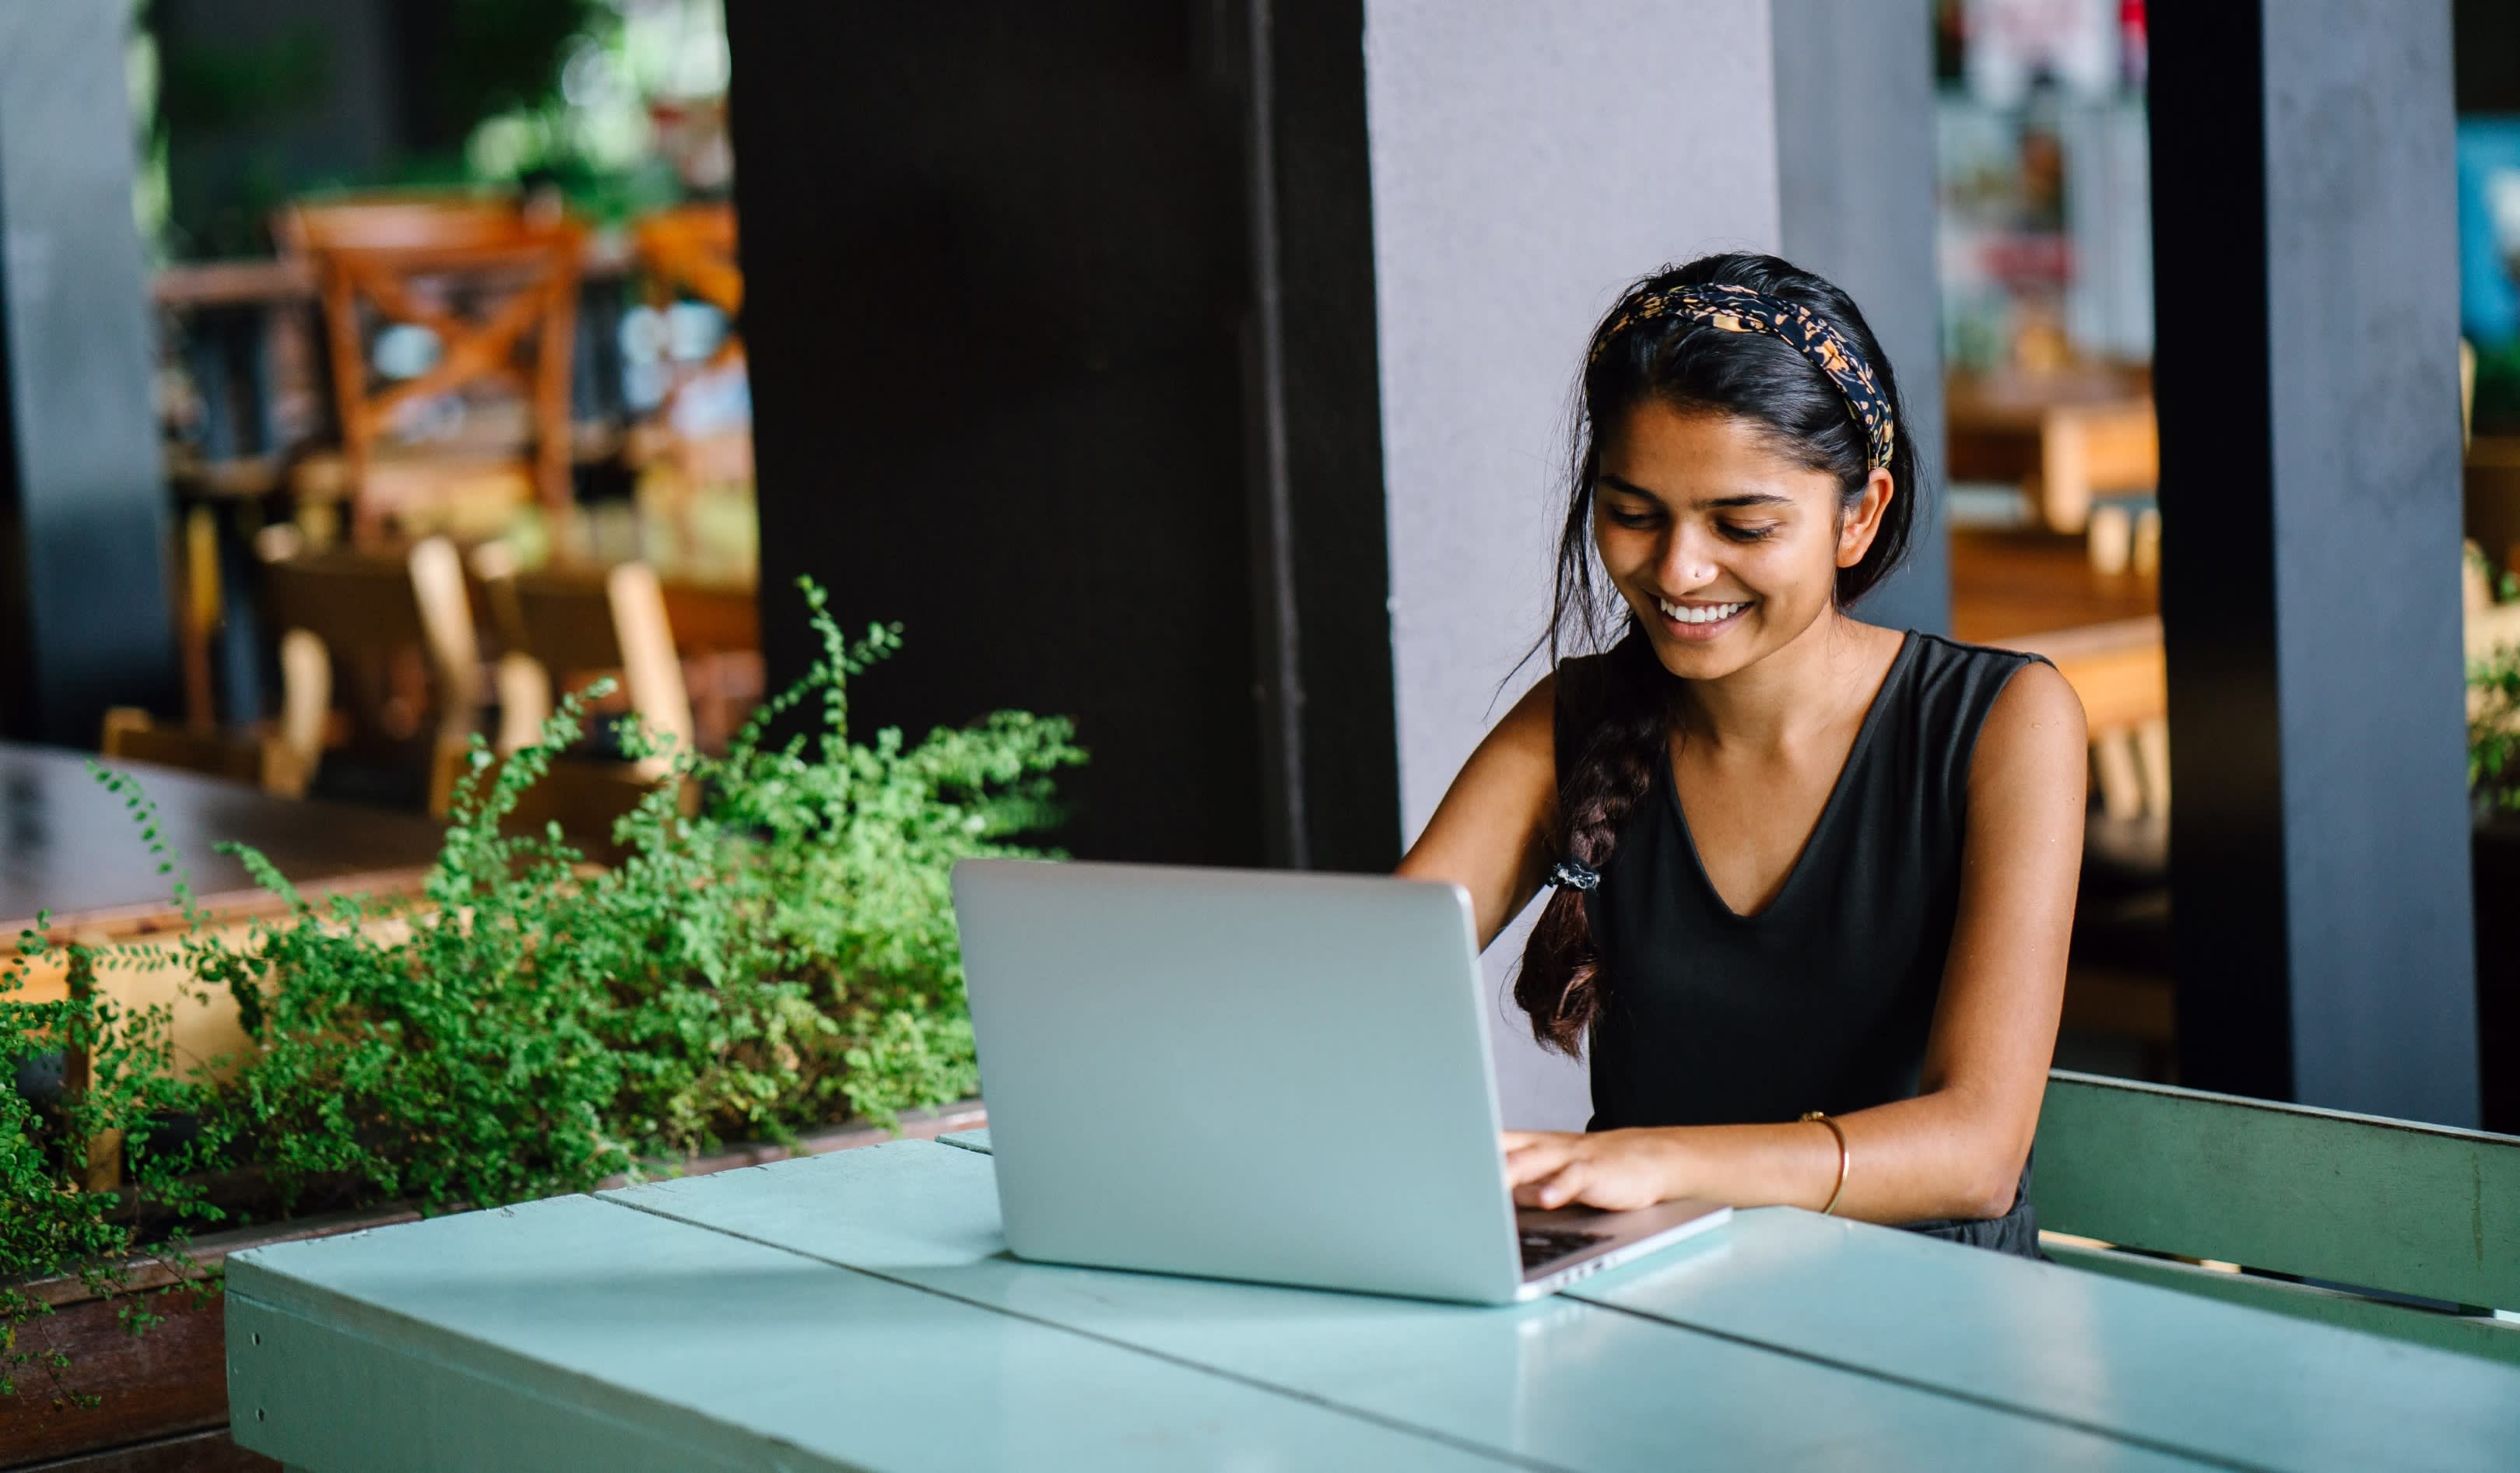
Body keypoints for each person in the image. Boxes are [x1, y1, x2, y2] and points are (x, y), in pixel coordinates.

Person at [1397, 253, 2086, 1254]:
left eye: (1742, 524)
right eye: (1633, 515)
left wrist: (1659, 1160)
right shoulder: (1575, 720)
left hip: (1929, 1324)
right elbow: (1364, 986)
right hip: (1655, 1306)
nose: (1678, 570)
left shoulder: (2004, 721)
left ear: (1859, 514)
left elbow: (1975, 1154)